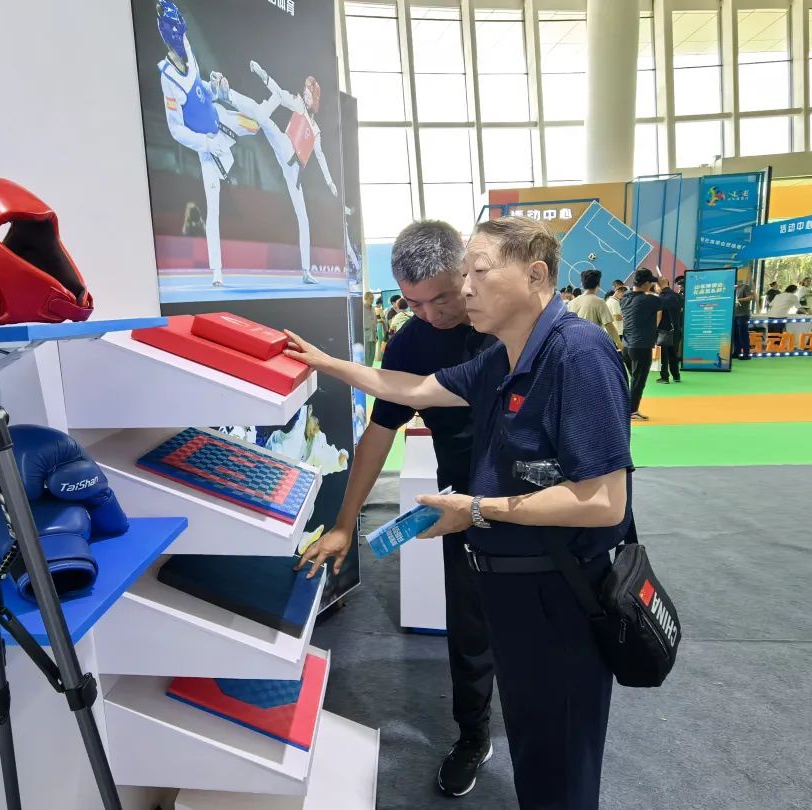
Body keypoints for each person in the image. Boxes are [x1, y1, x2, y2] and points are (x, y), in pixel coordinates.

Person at [287, 215, 631, 810]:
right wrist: (326, 363)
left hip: (556, 573)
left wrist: (476, 508)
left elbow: (603, 501)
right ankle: (476, 737)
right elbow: (409, 391)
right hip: (497, 554)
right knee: (528, 724)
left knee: (559, 746)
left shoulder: (577, 352)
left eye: (476, 274)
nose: (464, 292)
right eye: (462, 276)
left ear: (535, 275)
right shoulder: (499, 360)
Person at [297, 219, 498, 799]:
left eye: (442, 297)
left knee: (546, 618)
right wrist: (344, 524)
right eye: (414, 303)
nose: (432, 313)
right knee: (469, 626)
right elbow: (379, 432)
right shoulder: (411, 342)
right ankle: (473, 735)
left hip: (534, 496)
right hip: (461, 502)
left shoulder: (505, 321)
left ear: (467, 270)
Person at [156, 0, 266, 287]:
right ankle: (217, 272)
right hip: (208, 148)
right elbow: (176, 129)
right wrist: (206, 144)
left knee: (257, 124)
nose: (183, 38)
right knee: (213, 208)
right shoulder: (168, 77)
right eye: (178, 33)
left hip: (221, 117)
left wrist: (217, 88)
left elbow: (200, 89)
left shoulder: (188, 48)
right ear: (169, 34)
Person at [215, 63, 341, 285]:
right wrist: (262, 73)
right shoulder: (299, 105)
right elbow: (279, 92)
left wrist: (330, 182)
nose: (305, 95)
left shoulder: (317, 131)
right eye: (305, 92)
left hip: (293, 172)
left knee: (304, 219)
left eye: (309, 93)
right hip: (285, 146)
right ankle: (229, 94)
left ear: (315, 98)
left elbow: (320, 157)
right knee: (264, 118)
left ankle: (306, 271)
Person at [620, 268, 661, 420]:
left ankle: (627, 408)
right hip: (641, 346)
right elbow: (672, 301)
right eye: (650, 283)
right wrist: (664, 288)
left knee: (634, 379)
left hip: (627, 345)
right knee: (638, 380)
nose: (651, 286)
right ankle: (632, 411)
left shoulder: (625, 297)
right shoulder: (647, 300)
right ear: (646, 284)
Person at [568, 269, 621, 349]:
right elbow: (609, 326)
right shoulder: (599, 302)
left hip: (573, 345)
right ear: (598, 284)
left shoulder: (571, 303)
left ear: (582, 284)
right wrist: (619, 343)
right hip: (591, 345)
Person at [656, 277, 683, 384]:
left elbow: (659, 313)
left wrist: (655, 328)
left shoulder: (661, 297)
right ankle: (676, 376)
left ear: (658, 285)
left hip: (664, 330)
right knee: (673, 354)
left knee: (664, 355)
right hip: (676, 329)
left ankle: (664, 377)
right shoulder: (677, 296)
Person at [733, 276, 756, 359]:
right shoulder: (733, 288)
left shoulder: (745, 287)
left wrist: (739, 300)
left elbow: (751, 297)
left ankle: (746, 353)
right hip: (734, 314)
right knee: (735, 334)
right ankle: (737, 352)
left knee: (743, 334)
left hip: (743, 314)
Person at [362, 292, 378, 367]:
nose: (372, 300)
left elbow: (375, 321)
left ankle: (370, 368)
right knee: (366, 353)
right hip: (365, 334)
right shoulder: (361, 308)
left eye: (373, 299)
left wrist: (376, 333)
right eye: (371, 298)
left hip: (373, 333)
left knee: (372, 353)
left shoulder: (373, 308)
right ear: (365, 298)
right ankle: (366, 369)